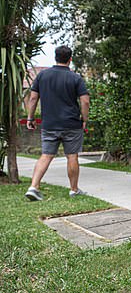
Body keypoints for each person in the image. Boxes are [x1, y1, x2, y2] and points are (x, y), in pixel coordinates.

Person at [24, 46, 90, 201]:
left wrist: (30, 118)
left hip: (49, 124)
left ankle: (33, 186)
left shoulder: (42, 76)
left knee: (46, 155)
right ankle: (74, 190)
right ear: (70, 59)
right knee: (72, 156)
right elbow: (85, 100)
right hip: (72, 124)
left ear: (55, 57)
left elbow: (33, 98)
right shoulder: (75, 78)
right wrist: (84, 119)